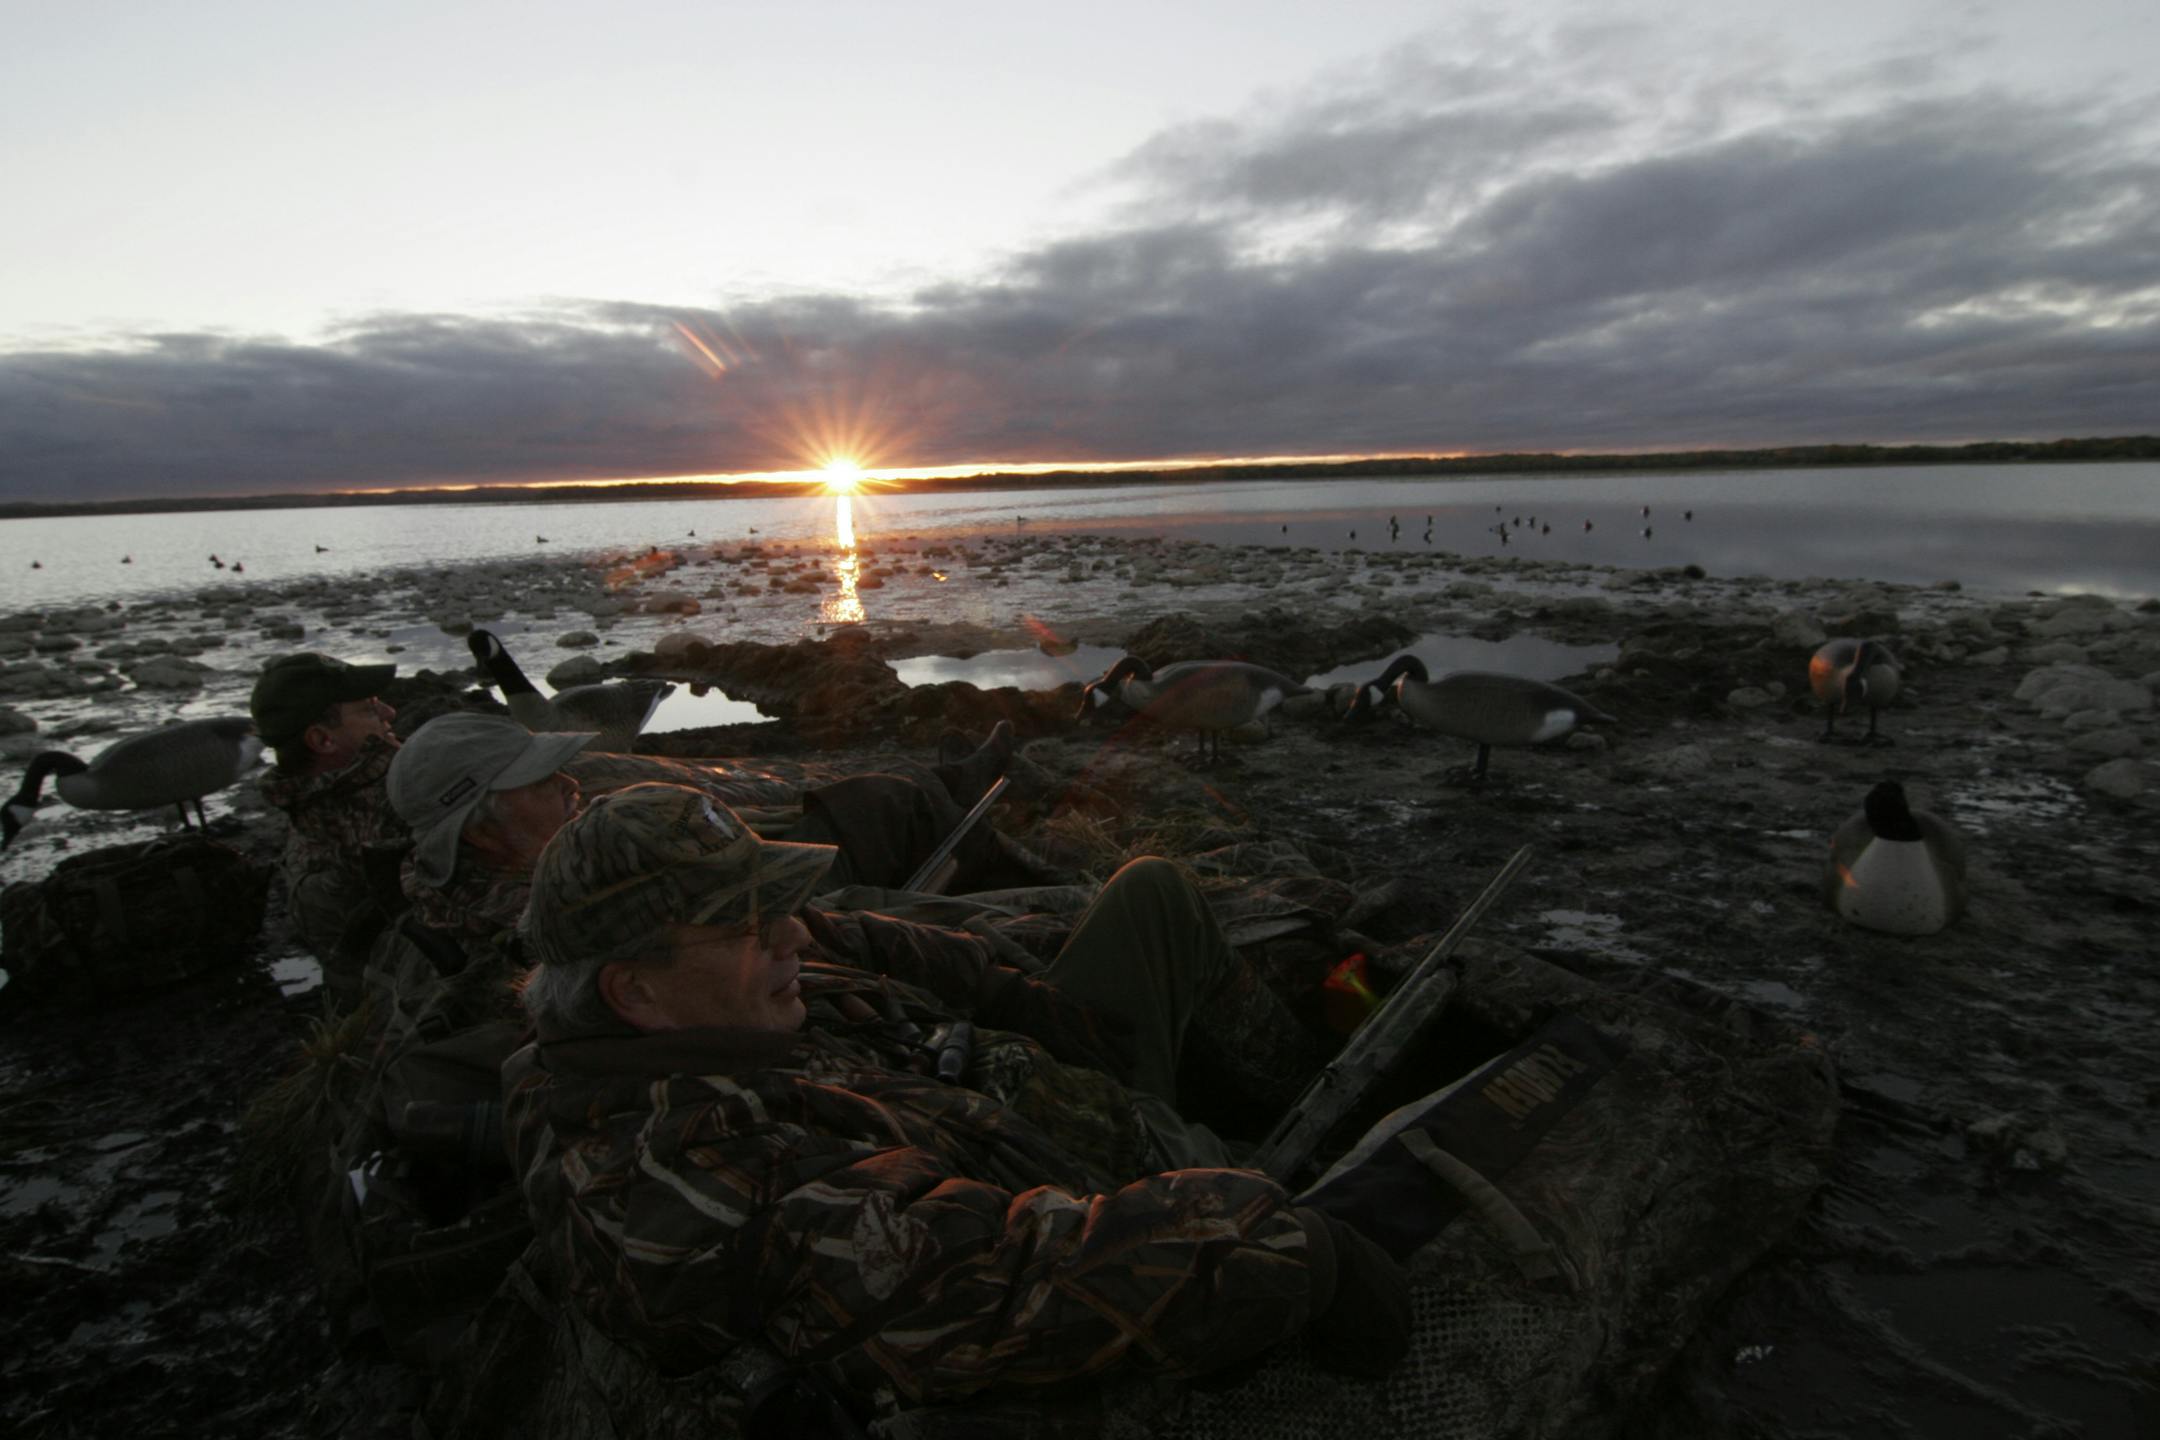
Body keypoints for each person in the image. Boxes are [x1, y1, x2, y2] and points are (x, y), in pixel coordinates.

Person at [503, 782, 1409, 1433]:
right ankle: (1304, 1134)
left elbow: (855, 934)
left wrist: (1022, 999)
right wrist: (1297, 1247)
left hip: (1059, 1095)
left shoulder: (706, 1006)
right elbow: (999, 1286)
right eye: (747, 924)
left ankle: (1294, 1081)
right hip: (1135, 1187)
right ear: (636, 993)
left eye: (771, 900)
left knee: (1150, 889)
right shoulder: (691, 1184)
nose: (787, 933)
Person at [384, 713, 1039, 988]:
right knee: (886, 811)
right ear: (480, 832)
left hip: (761, 892)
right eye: (540, 781)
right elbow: (801, 927)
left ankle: (957, 787)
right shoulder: (547, 918)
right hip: (790, 915)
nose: (569, 783)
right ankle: (976, 812)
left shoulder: (482, 882)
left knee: (871, 800)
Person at [252, 652, 412, 1006]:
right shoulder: (391, 805)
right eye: (369, 710)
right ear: (323, 740)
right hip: (411, 1002)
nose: (390, 713)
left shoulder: (314, 803)